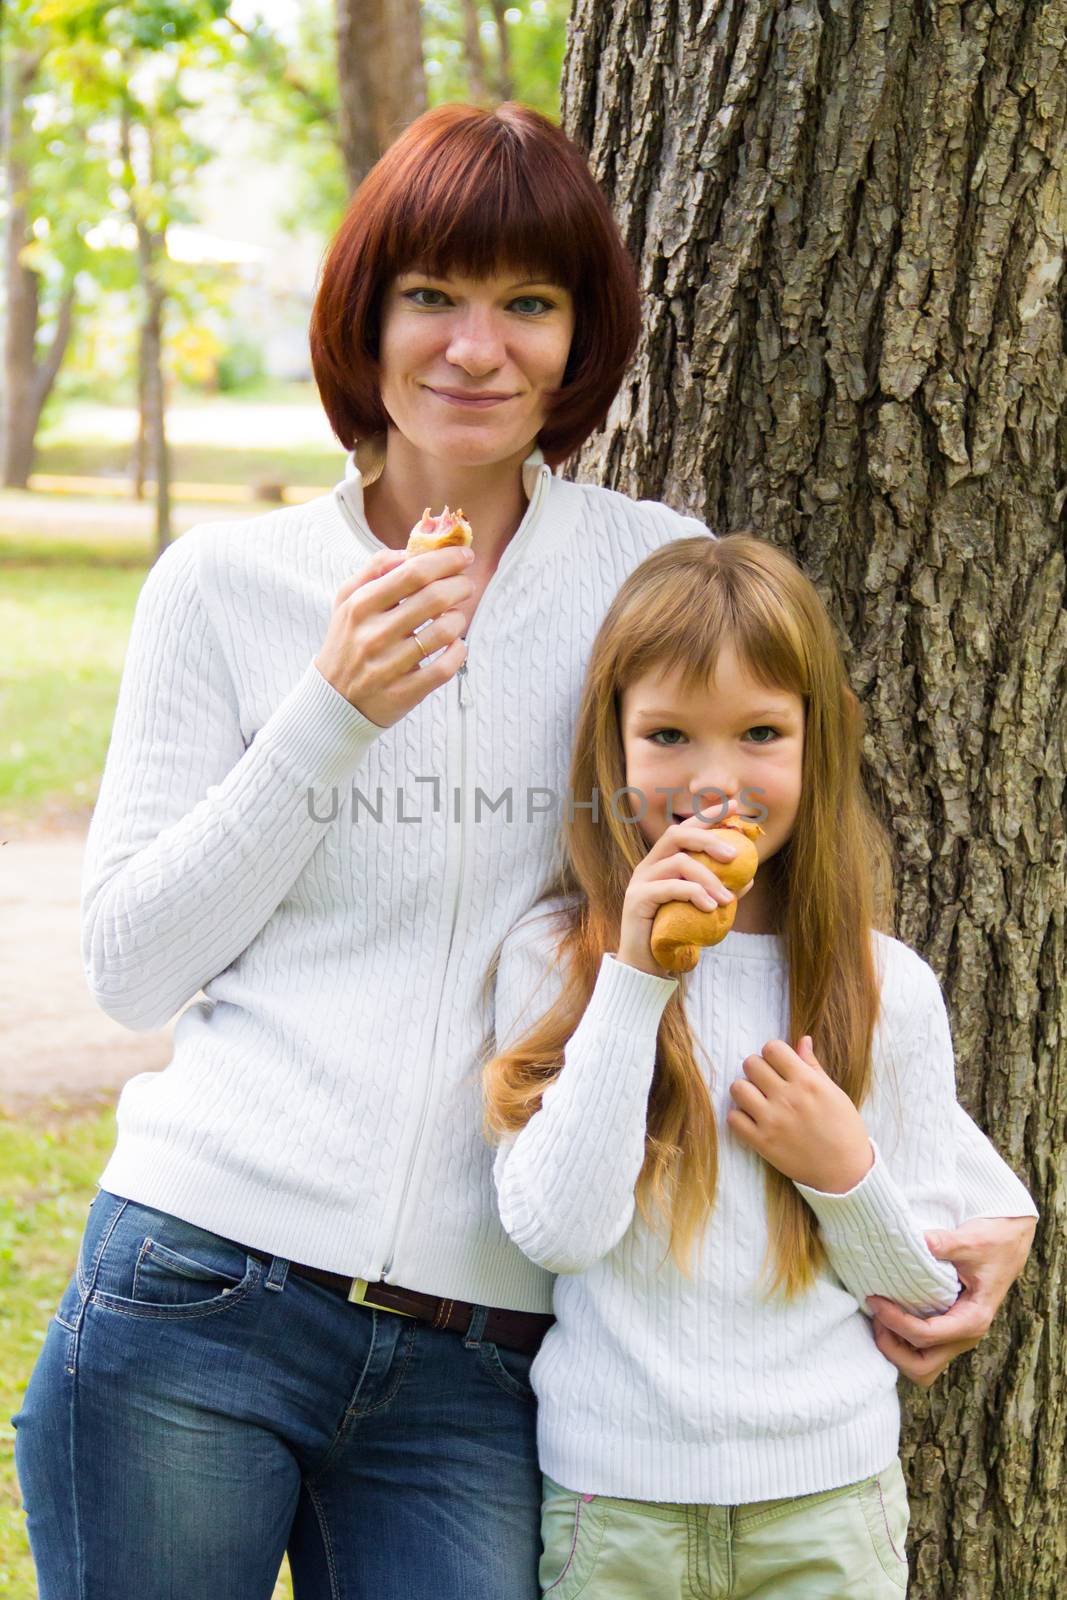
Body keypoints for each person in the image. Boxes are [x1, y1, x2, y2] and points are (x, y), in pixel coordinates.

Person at [12, 105, 1034, 1600]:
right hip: (202, 1288)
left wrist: (978, 1196)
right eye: (430, 296)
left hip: (481, 1356)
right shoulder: (227, 586)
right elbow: (130, 970)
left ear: (581, 337)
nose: (473, 349)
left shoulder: (643, 571)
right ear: (363, 316)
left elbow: (766, 925)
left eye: (526, 305)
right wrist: (325, 718)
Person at [484, 533, 1040, 1598]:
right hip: (615, 1507)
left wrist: (842, 1169)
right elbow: (556, 1230)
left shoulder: (883, 988)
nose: (712, 780)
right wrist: (637, 978)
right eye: (666, 735)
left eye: (757, 733)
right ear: (612, 747)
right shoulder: (554, 958)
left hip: (825, 1507)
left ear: (814, 743)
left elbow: (921, 1295)